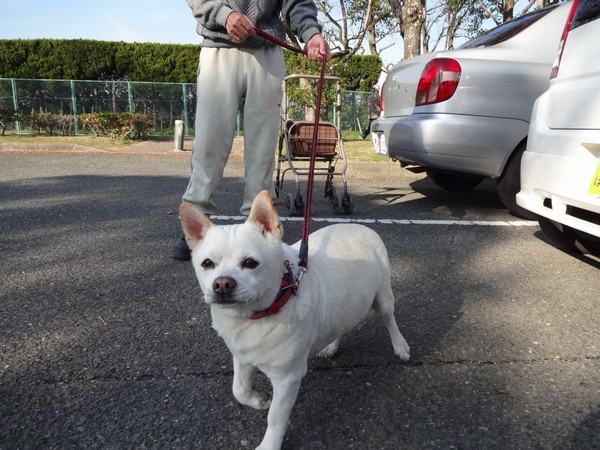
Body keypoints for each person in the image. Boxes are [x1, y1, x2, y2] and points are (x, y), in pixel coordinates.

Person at [172, 0, 331, 260]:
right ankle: (195, 227)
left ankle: (258, 230)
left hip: (268, 50)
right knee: (208, 143)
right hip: (218, 46)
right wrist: (224, 15)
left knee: (263, 148)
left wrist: (311, 32)